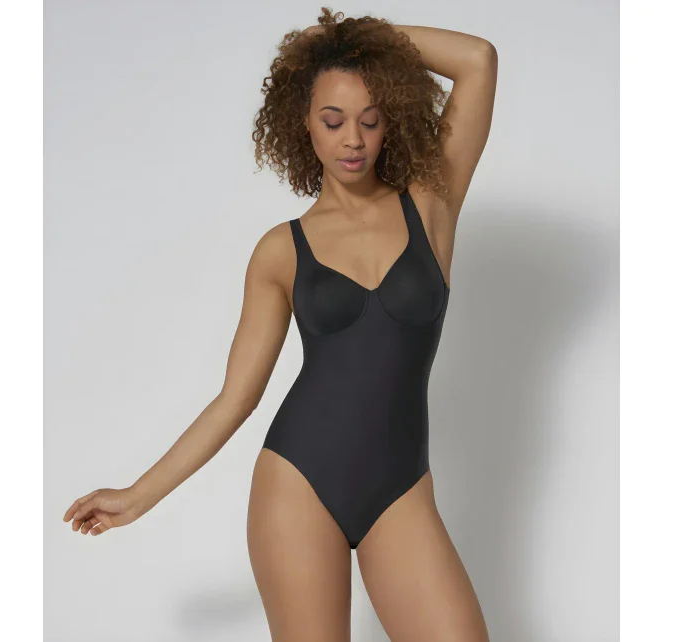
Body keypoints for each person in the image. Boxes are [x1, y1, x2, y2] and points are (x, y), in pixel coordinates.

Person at [63, 9, 498, 641]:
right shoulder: (280, 251)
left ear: (392, 120)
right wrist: (138, 495)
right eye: (333, 120)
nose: (353, 139)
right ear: (303, 124)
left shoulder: (430, 206)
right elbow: (235, 398)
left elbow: (478, 60)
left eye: (371, 119)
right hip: (298, 483)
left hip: (402, 489)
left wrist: (348, 38)